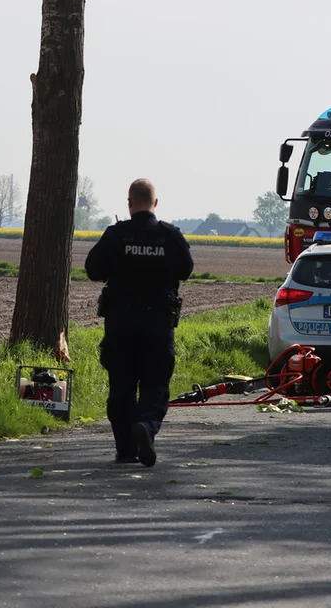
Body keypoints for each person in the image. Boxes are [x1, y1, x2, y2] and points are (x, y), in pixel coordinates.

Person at [84, 179, 193, 467]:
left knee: (121, 384)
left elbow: (93, 269)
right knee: (156, 383)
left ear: (129, 203)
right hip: (158, 324)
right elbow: (186, 269)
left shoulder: (116, 235)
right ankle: (145, 424)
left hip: (120, 324)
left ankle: (125, 450)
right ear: (155, 203)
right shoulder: (170, 236)